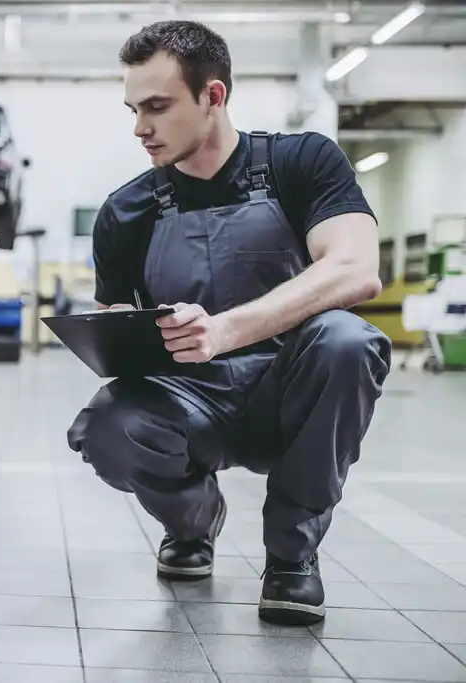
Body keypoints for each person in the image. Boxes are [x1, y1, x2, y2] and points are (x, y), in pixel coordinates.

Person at [66, 20, 392, 627]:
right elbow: (118, 323)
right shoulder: (125, 211)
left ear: (213, 96)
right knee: (109, 425)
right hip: (191, 400)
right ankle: (193, 523)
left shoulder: (303, 163)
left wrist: (223, 330)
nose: (141, 128)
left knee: (350, 340)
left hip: (291, 389)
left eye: (158, 107)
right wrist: (112, 336)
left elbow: (355, 268)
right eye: (134, 109)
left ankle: (292, 559)